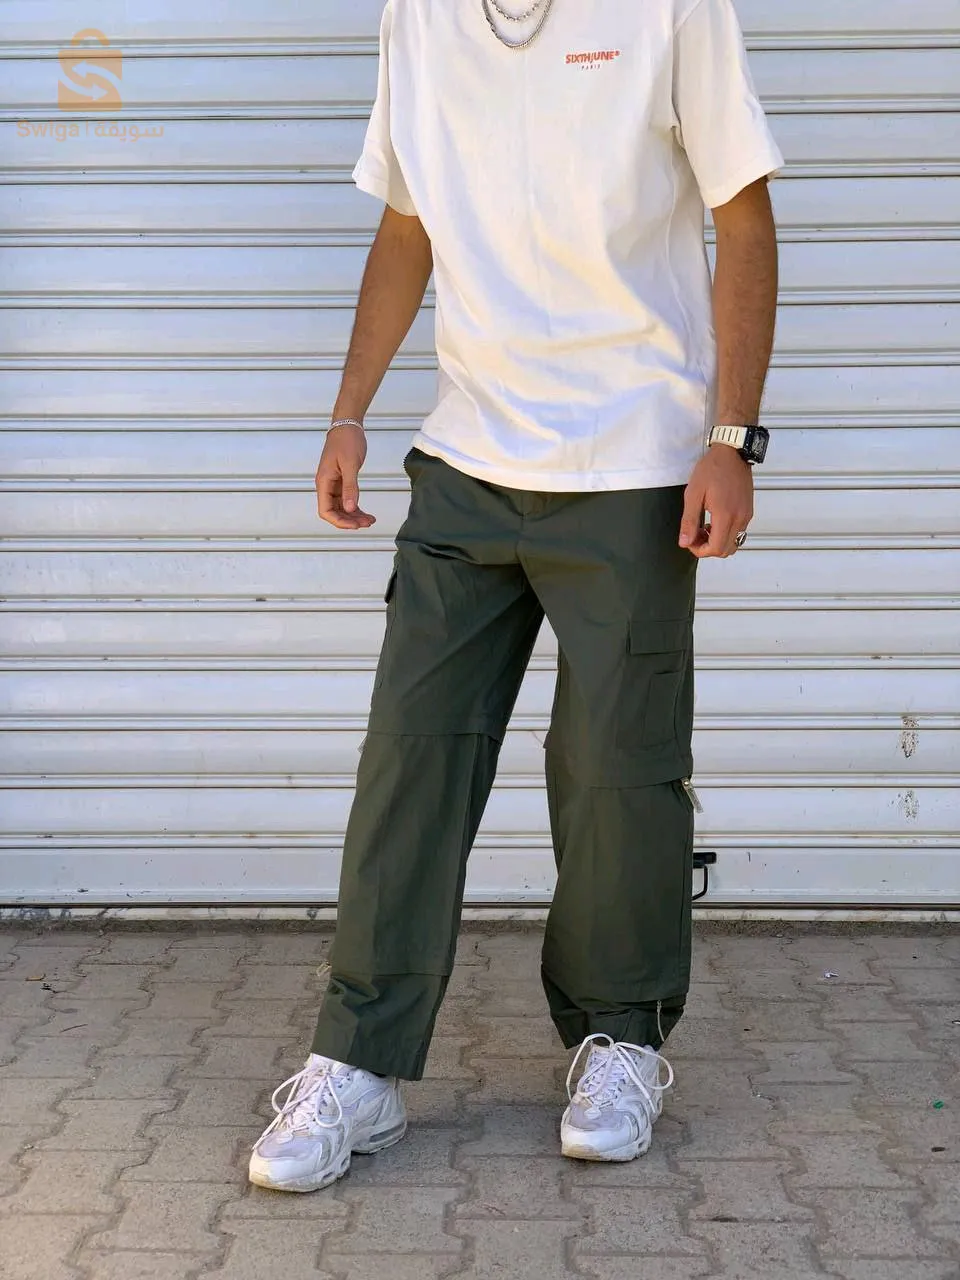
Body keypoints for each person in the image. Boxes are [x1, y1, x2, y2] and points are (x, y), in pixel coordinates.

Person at [249, 0, 781, 1192]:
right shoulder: (418, 17)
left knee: (616, 770)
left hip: (635, 459)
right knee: (410, 756)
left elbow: (744, 216)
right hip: (467, 458)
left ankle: (621, 1039)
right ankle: (360, 1061)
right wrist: (349, 410)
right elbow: (407, 222)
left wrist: (731, 437)